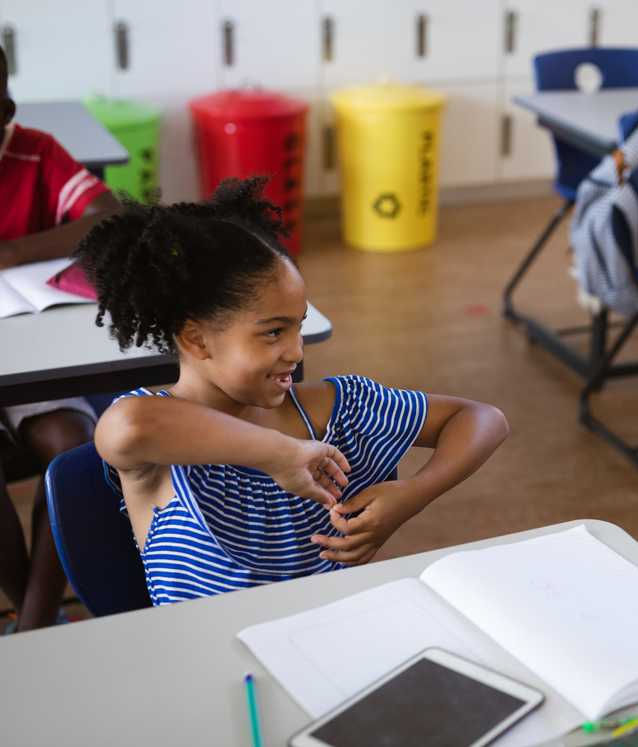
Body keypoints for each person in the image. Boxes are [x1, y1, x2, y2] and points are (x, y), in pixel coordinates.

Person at [78, 178, 509, 605]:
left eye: (298, 325)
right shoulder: (158, 442)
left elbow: (482, 419)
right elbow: (126, 426)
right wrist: (279, 454)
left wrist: (412, 495)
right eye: (273, 333)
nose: (296, 351)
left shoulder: (338, 409)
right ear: (197, 340)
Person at [0, 44, 121, 631]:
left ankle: (33, 623)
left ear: (6, 111)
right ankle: (33, 617)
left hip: (28, 349)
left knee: (72, 445)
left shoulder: (34, 151)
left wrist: (14, 253)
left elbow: (110, 215)